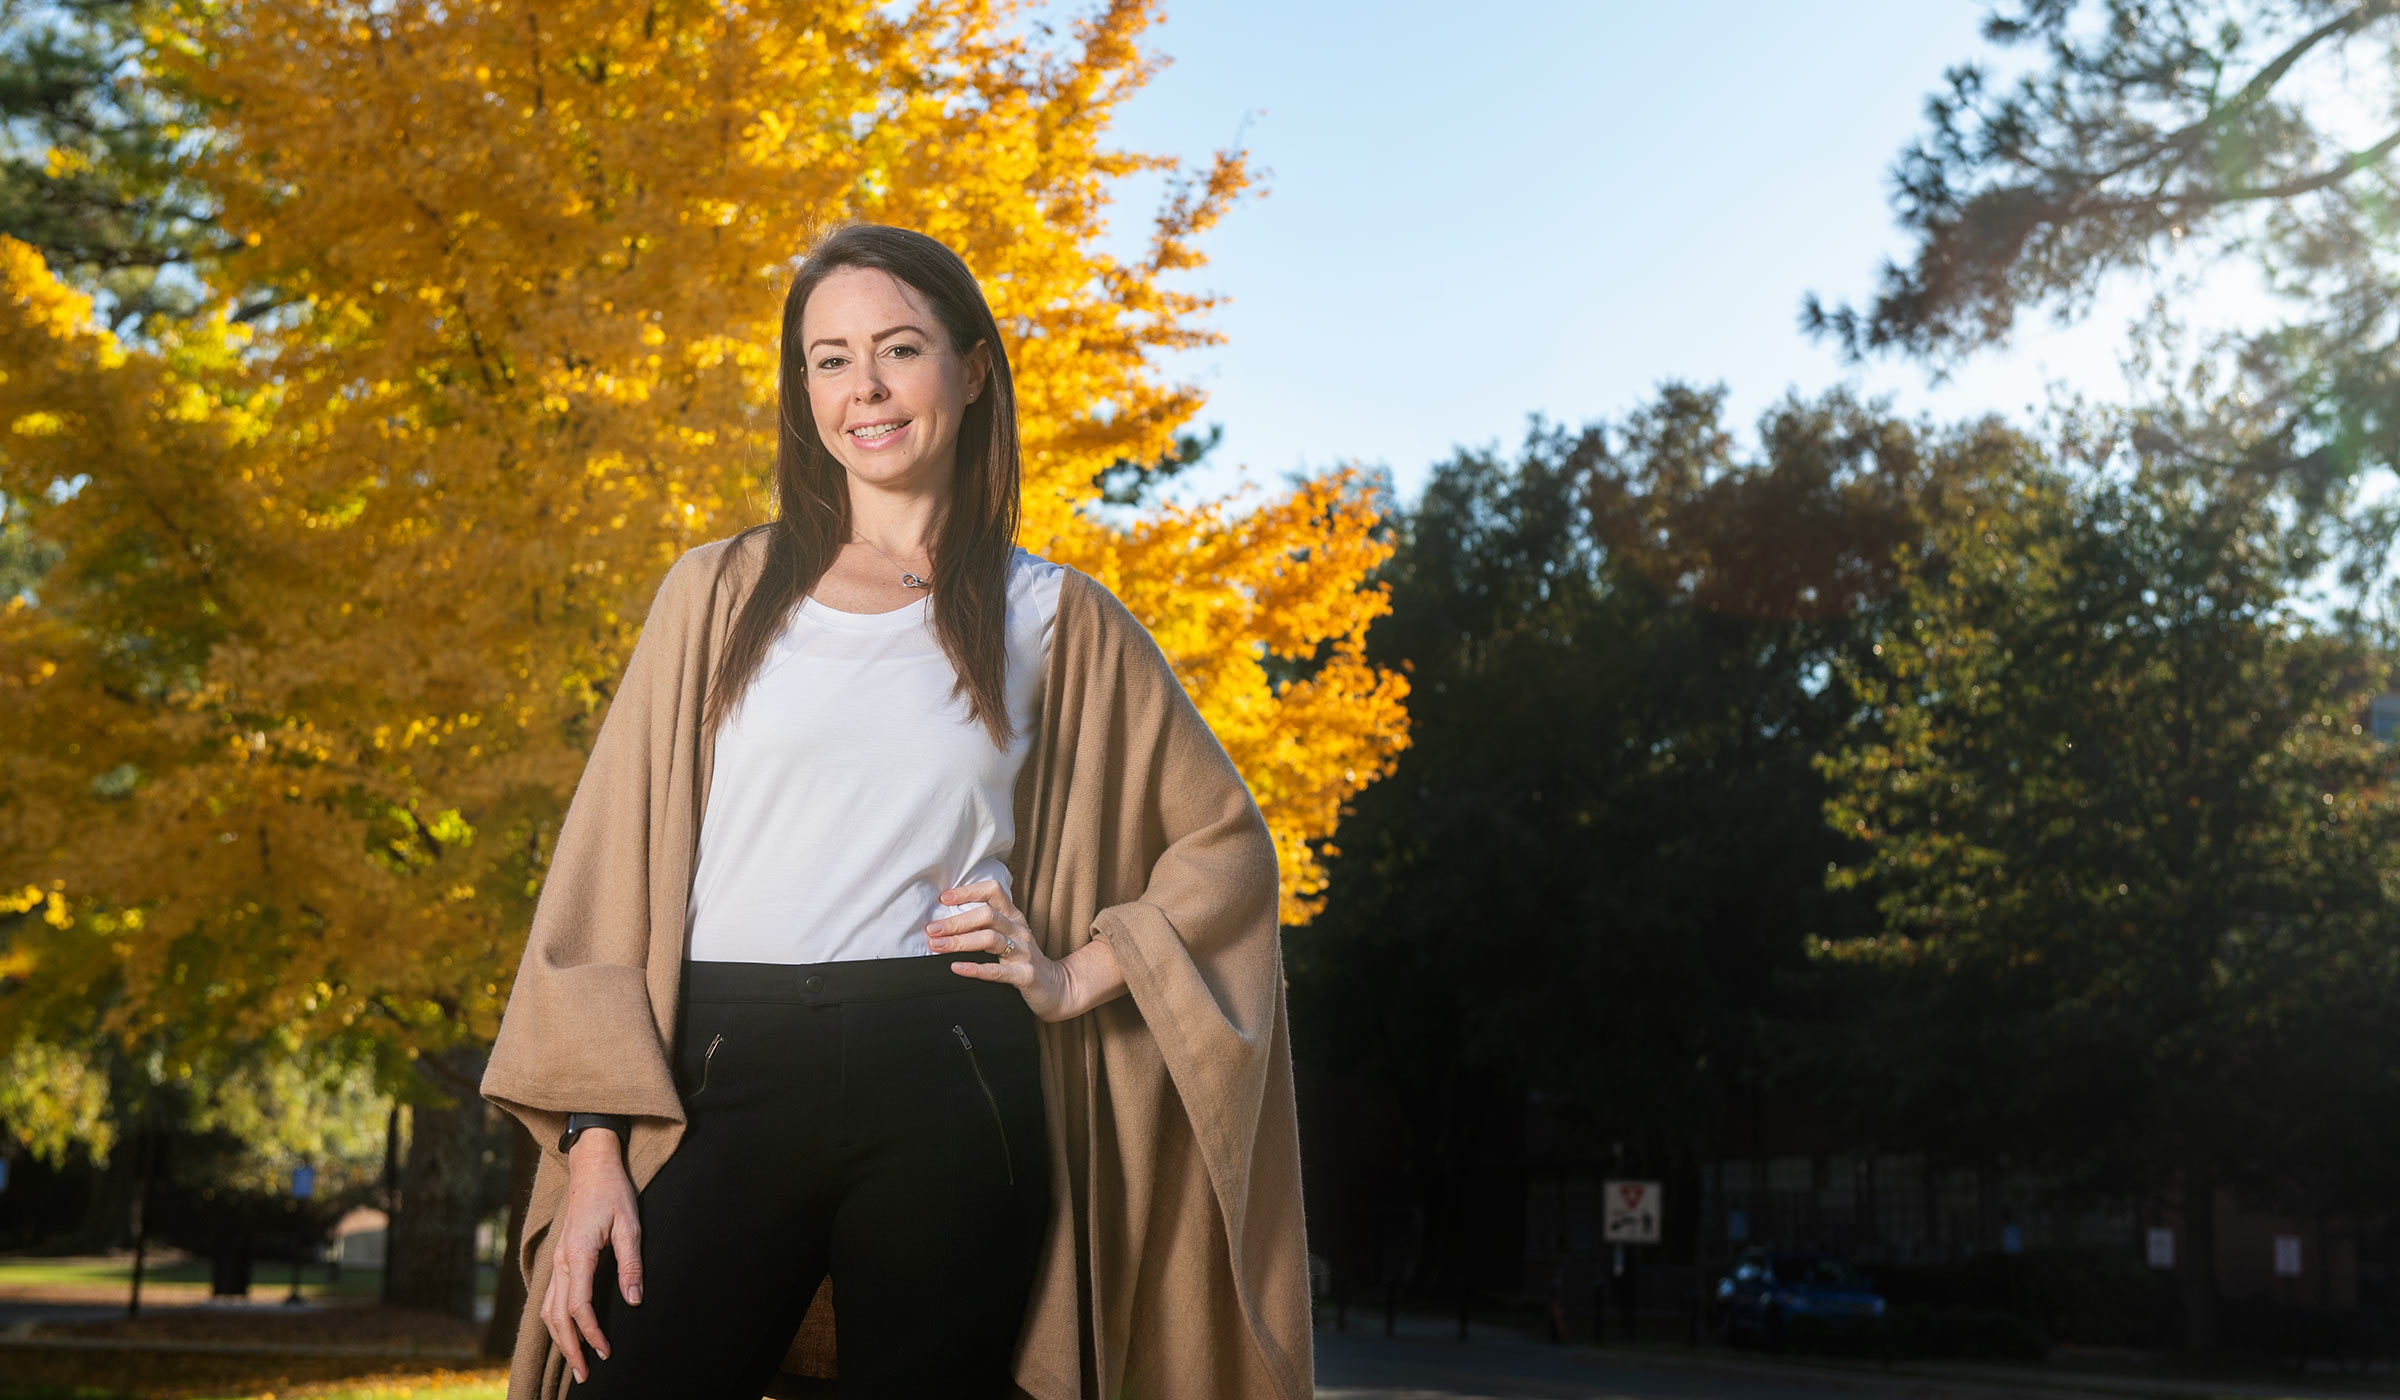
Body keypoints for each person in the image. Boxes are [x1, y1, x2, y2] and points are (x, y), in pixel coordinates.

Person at [479, 224, 1314, 1400]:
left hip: (955, 1067)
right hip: (716, 1069)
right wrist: (594, 1143)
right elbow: (604, 884)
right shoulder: (714, 594)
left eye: (898, 348)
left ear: (973, 369)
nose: (862, 387)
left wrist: (1075, 973)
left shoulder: (1056, 619)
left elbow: (1224, 847)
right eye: (828, 358)